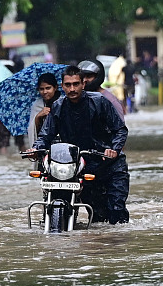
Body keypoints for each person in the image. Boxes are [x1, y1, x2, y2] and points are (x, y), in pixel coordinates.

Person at [29, 65, 130, 226]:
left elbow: (120, 130)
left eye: (76, 84)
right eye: (68, 85)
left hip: (110, 166)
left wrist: (114, 150)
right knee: (96, 216)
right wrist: (36, 149)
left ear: (83, 84)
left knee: (116, 214)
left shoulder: (100, 102)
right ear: (62, 86)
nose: (72, 88)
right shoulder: (58, 107)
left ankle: (116, 247)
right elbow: (45, 135)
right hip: (81, 167)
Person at [27, 72, 61, 148]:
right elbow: (32, 129)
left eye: (48, 88)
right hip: (44, 146)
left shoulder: (63, 102)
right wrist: (38, 116)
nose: (45, 92)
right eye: (41, 89)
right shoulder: (37, 105)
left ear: (55, 87)